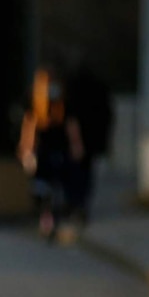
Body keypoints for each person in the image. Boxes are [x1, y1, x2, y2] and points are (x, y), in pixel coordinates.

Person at [17, 64, 85, 242]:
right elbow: (29, 128)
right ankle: (46, 221)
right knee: (42, 190)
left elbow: (72, 128)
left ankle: (62, 214)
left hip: (60, 151)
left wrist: (76, 146)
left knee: (60, 187)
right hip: (42, 153)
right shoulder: (34, 105)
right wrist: (26, 149)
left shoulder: (64, 105)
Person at [63, 52, 113, 227]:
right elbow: (108, 115)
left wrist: (75, 142)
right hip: (93, 139)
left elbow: (71, 117)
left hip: (78, 140)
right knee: (86, 175)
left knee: (75, 175)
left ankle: (75, 207)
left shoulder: (73, 88)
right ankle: (80, 207)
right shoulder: (100, 88)